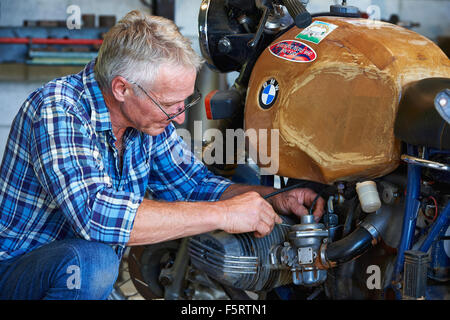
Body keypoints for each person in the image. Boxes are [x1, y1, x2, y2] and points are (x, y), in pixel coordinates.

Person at [0, 10, 324, 300]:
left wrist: (271, 197)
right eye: (169, 105)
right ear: (121, 88)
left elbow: (193, 184)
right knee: (93, 263)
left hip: (87, 278)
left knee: (97, 265)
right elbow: (94, 215)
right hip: (16, 271)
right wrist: (225, 214)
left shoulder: (148, 120)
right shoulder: (59, 109)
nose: (180, 117)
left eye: (185, 101)